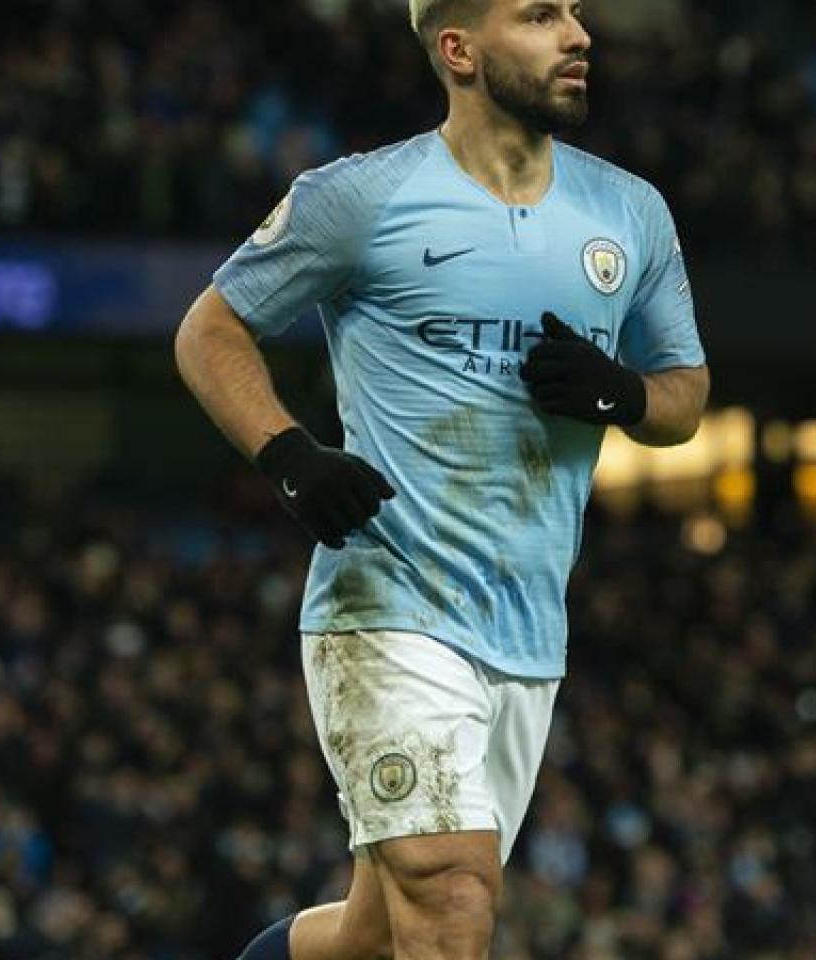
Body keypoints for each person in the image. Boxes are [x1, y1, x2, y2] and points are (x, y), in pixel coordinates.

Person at [172, 0, 709, 957]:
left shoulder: (630, 212)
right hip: (388, 605)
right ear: (458, 50)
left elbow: (686, 397)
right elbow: (210, 330)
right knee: (456, 895)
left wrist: (621, 392)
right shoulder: (360, 197)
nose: (579, 35)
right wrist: (289, 456)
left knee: (375, 933)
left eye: (577, 13)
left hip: (528, 627)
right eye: (541, 15)